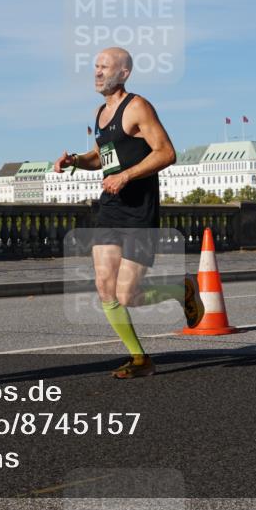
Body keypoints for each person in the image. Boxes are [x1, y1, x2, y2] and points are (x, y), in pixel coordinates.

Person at [53, 47, 203, 379]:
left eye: (104, 67)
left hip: (139, 211)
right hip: (110, 209)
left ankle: (182, 289)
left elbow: (166, 152)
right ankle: (140, 359)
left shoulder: (138, 106)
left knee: (128, 294)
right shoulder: (100, 113)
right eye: (95, 66)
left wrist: (127, 176)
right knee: (105, 286)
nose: (97, 72)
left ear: (124, 73)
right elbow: (101, 157)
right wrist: (77, 160)